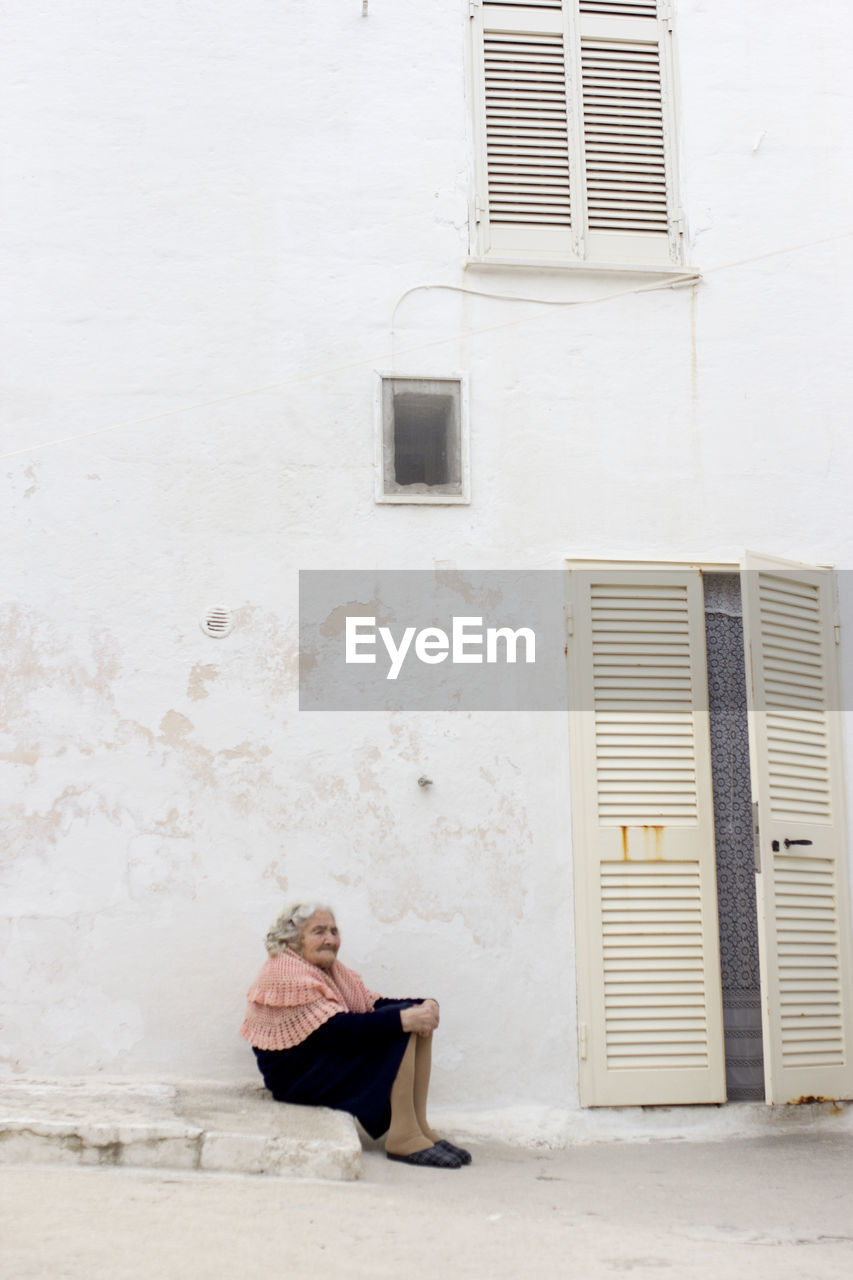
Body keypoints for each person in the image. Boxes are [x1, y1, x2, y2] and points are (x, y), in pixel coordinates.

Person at [240, 901, 471, 1169]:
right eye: (319, 931)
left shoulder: (332, 972)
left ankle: (419, 1126)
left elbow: (371, 1004)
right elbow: (333, 1029)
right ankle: (403, 1136)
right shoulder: (284, 971)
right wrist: (401, 1019)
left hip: (320, 1060)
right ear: (294, 939)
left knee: (412, 1017)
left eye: (334, 931)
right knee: (398, 1025)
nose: (330, 939)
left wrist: (424, 1004)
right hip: (296, 1076)